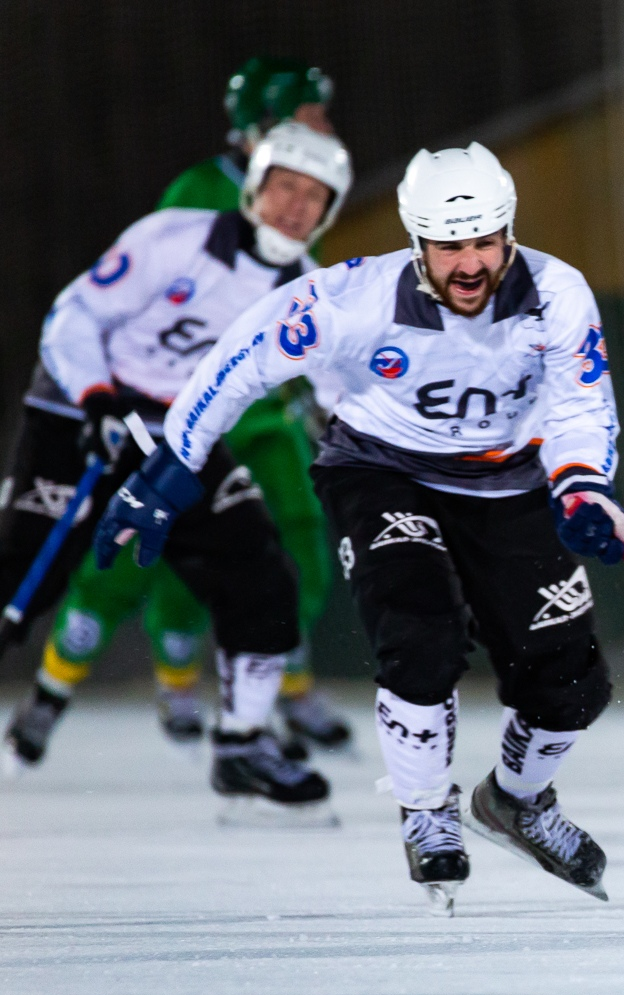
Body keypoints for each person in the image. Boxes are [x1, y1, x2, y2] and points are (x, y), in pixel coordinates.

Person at [91, 142, 624, 916]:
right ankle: (425, 809)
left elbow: (582, 404)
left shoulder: (558, 293)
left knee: (573, 679)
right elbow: (239, 360)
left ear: (509, 232)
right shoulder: (351, 299)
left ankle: (518, 800)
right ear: (417, 244)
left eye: (485, 242)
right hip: (383, 470)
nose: (470, 265)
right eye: (450, 247)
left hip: (508, 476)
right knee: (420, 630)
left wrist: (584, 486)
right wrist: (171, 464)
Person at [0, 123, 350, 826]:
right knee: (17, 577)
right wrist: (97, 401)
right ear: (253, 184)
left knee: (265, 577)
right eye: (284, 185)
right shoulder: (174, 236)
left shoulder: (309, 291)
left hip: (176, 436)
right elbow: (72, 318)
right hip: (78, 409)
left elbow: (336, 384)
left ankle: (242, 747)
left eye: (315, 196)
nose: (294, 206)